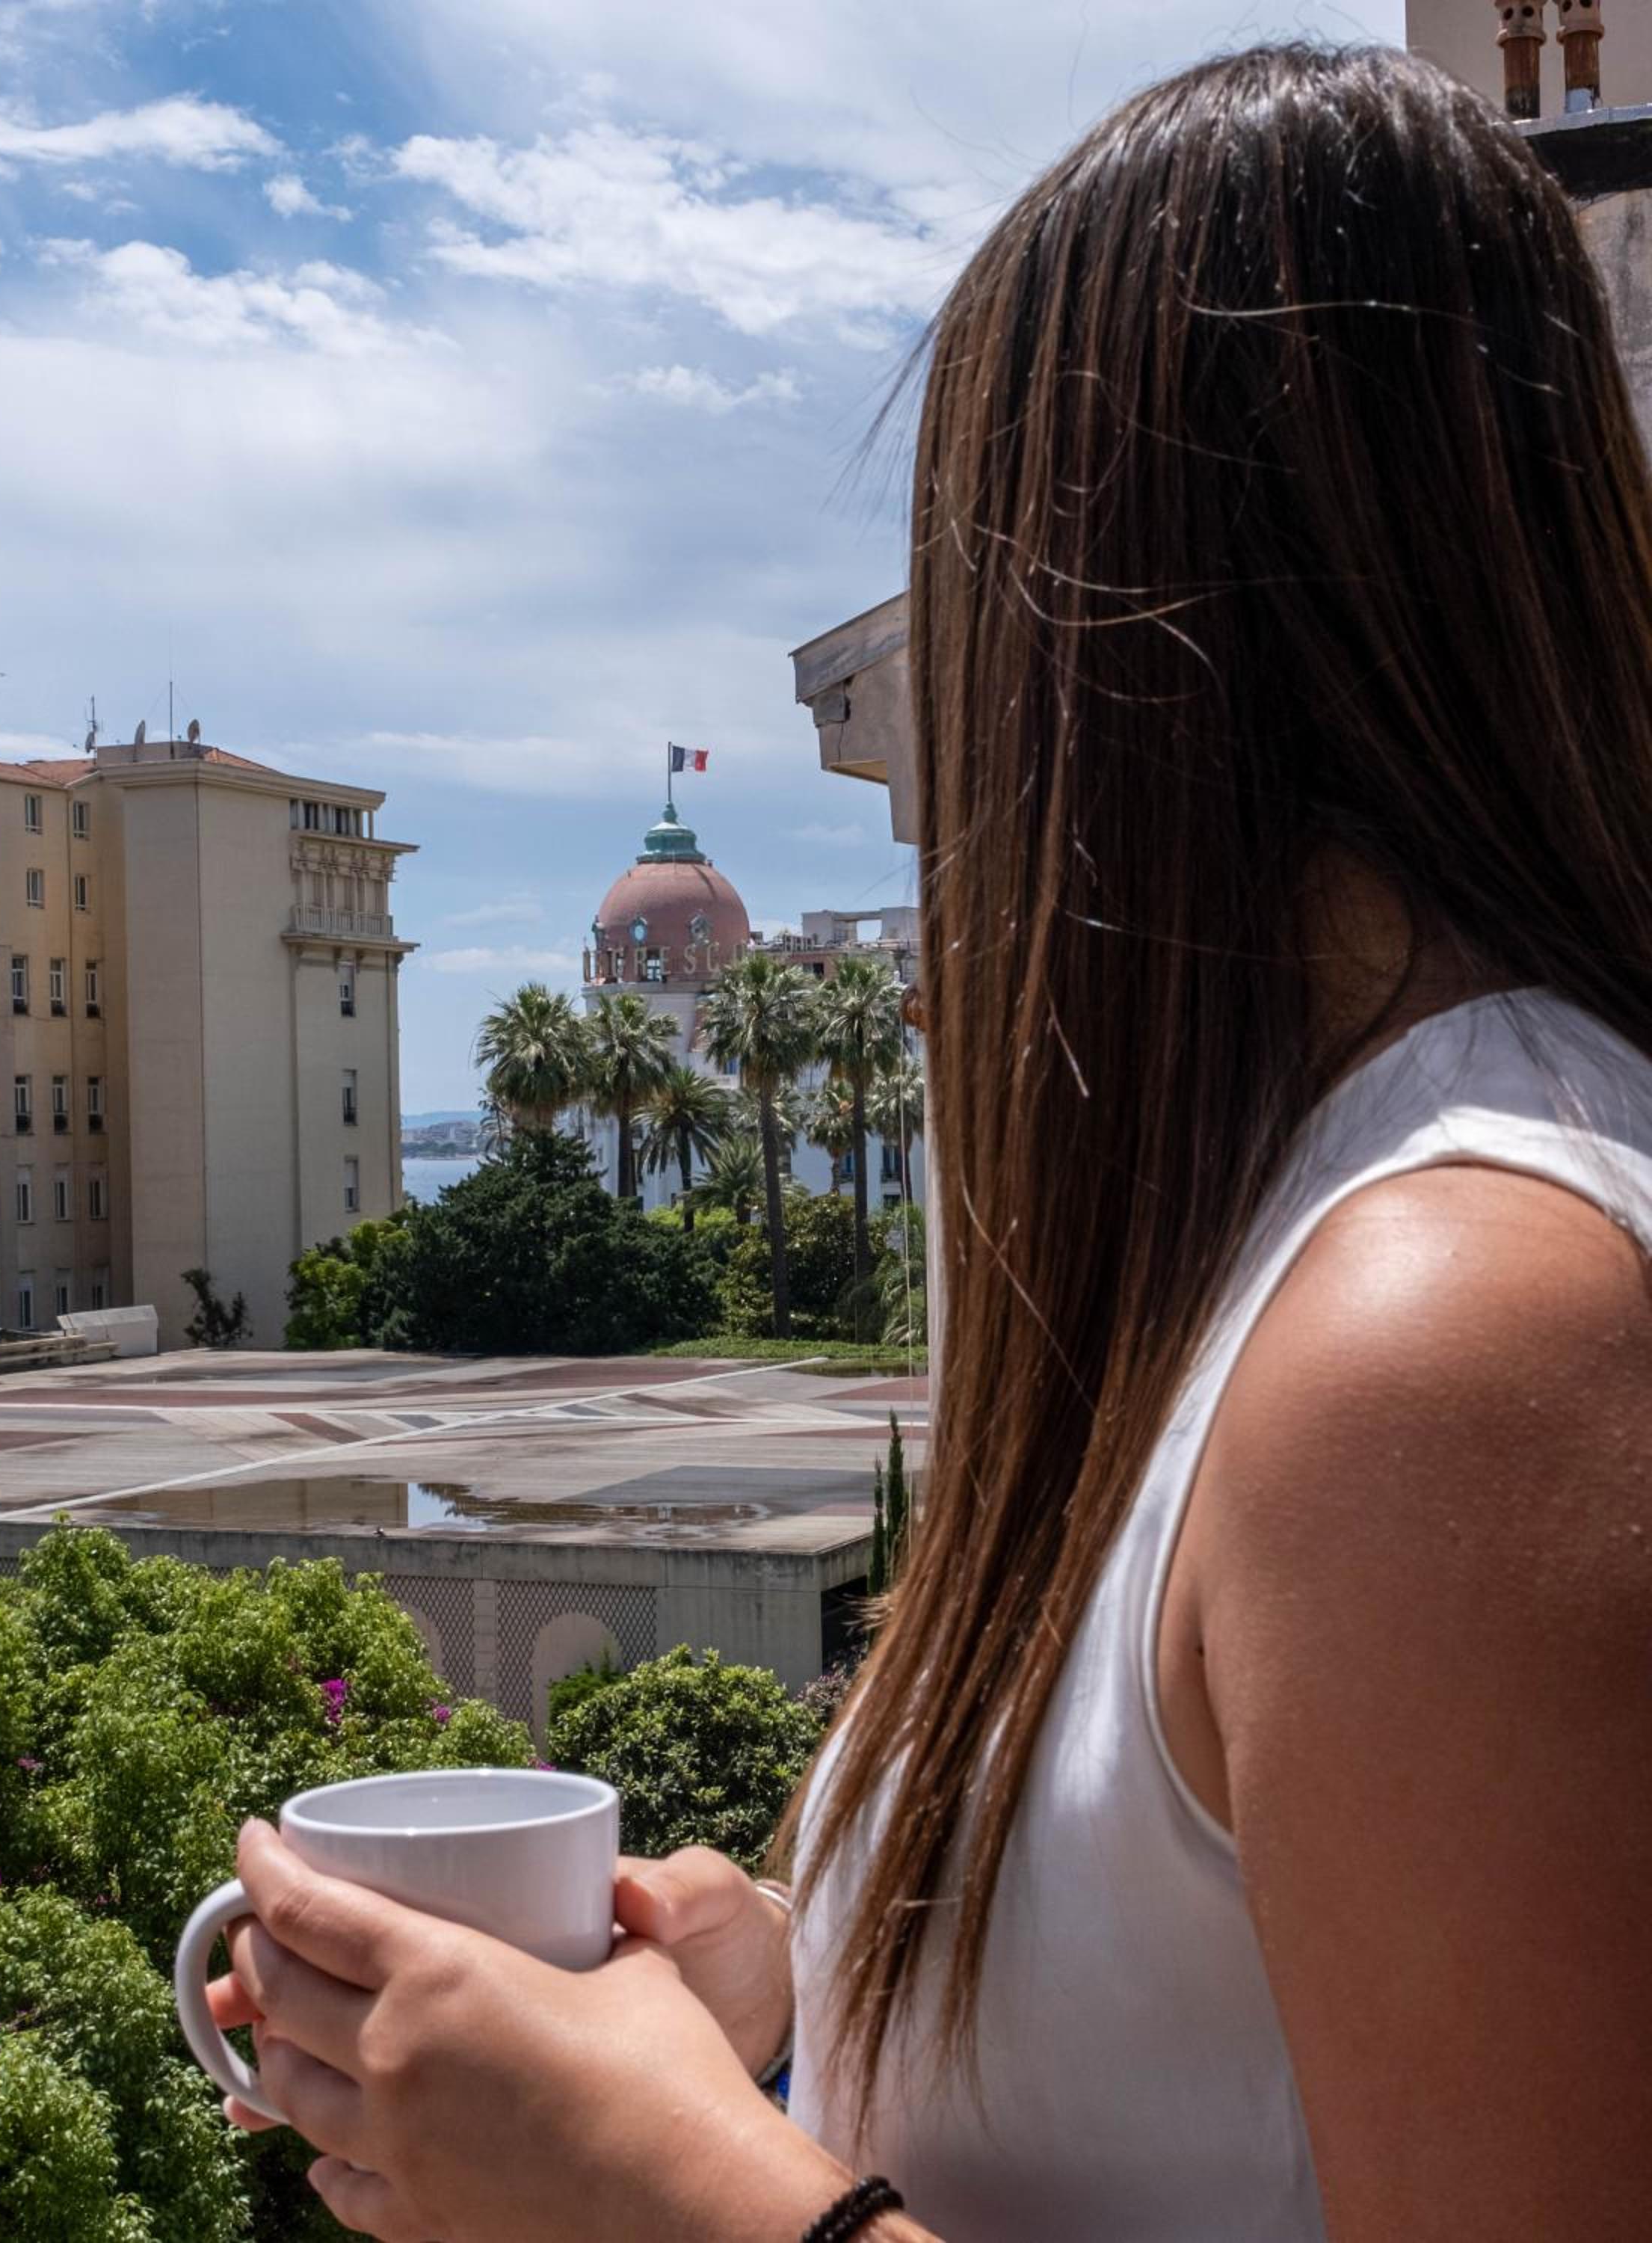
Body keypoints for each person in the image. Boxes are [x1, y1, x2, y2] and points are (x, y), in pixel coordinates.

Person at [206, 41, 1652, 2242]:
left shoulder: (1450, 1331)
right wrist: (790, 1978)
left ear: (1100, 642)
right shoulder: (1299, 1241)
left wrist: (667, 2189)